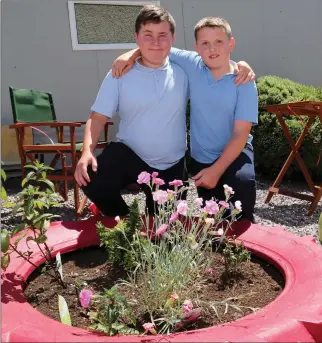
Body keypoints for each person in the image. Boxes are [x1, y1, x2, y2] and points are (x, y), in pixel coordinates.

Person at [75, 5, 255, 218]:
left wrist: (243, 65)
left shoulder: (185, 71)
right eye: (147, 35)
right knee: (91, 177)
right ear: (136, 37)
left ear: (172, 39)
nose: (155, 42)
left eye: (162, 35)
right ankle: (125, 220)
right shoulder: (119, 74)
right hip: (130, 154)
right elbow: (97, 118)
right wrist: (87, 151)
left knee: (165, 232)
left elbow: (216, 64)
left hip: (171, 166)